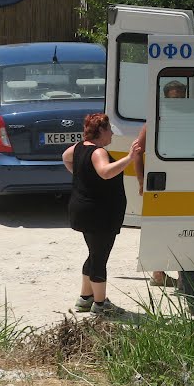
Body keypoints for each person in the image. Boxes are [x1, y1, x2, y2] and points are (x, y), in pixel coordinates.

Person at [63, 112, 142, 317]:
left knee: (93, 253)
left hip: (84, 210)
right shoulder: (99, 152)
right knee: (99, 258)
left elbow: (66, 157)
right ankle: (100, 305)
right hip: (99, 213)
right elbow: (106, 172)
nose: (112, 135)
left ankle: (85, 298)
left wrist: (82, 176)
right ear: (101, 130)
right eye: (110, 130)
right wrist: (129, 158)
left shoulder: (79, 147)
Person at [136, 80, 186, 288]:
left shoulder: (190, 119)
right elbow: (137, 152)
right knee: (161, 227)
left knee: (184, 228)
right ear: (166, 99)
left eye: (181, 98)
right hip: (162, 182)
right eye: (173, 98)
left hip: (186, 181)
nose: (177, 102)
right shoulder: (155, 121)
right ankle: (159, 273)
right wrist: (141, 180)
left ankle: (183, 276)